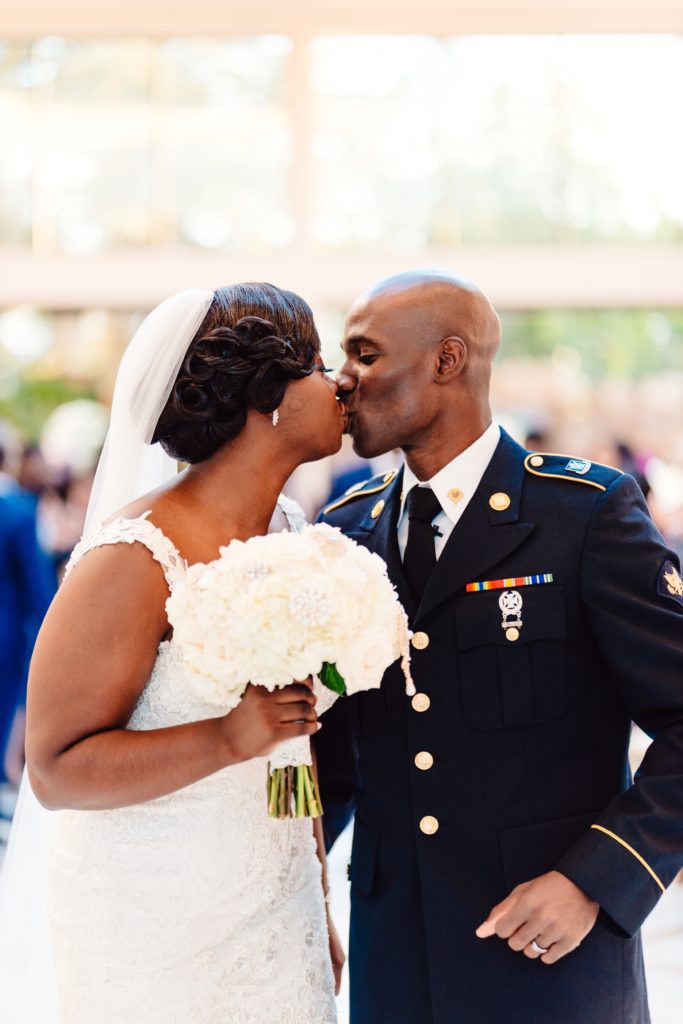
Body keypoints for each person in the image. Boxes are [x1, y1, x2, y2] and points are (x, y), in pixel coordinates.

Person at [315, 270, 683, 1024]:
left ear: (447, 362)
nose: (340, 380)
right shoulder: (346, 528)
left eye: (363, 354)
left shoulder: (581, 515)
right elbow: (337, 759)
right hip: (393, 963)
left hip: (550, 964)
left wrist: (596, 880)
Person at [0, 284, 347, 1023]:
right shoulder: (135, 556)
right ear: (268, 396)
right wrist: (226, 738)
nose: (339, 380)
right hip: (153, 918)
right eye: (317, 364)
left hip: (273, 908)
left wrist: (316, 894)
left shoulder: (290, 528)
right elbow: (55, 767)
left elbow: (291, 741)